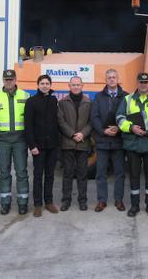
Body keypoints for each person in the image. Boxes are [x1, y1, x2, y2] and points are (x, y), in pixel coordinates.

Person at [116, 72, 148, 217]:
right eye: (141, 82)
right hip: (133, 145)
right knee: (134, 177)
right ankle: (134, 206)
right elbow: (119, 118)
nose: (143, 85)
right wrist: (131, 127)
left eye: (146, 82)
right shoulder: (127, 99)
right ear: (137, 83)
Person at [0, 69, 31, 215]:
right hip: (2, 140)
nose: (9, 81)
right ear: (3, 80)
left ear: (16, 80)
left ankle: (23, 202)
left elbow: (31, 119)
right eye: (6, 79)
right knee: (4, 172)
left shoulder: (25, 96)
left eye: (11, 79)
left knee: (22, 172)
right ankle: (5, 202)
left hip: (20, 140)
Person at [90, 69, 128, 212]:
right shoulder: (98, 97)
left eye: (114, 77)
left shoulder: (126, 97)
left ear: (118, 79)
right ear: (105, 80)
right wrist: (103, 130)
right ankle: (102, 201)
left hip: (119, 141)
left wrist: (119, 128)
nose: (112, 80)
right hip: (102, 140)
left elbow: (129, 116)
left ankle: (118, 200)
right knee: (101, 173)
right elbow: (94, 117)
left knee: (120, 172)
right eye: (109, 78)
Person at [25, 74, 61, 217]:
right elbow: (28, 126)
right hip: (38, 146)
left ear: (50, 85)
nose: (45, 85)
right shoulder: (31, 102)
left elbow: (57, 122)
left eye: (47, 83)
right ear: (38, 85)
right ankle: (38, 204)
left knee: (50, 175)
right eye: (42, 83)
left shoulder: (54, 101)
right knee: (38, 175)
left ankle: (49, 202)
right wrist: (32, 145)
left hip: (52, 145)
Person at [58, 76, 92, 211]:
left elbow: (91, 122)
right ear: (69, 86)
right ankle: (66, 201)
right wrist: (72, 134)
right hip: (68, 143)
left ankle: (82, 201)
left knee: (82, 174)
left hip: (83, 143)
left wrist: (82, 134)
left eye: (78, 84)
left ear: (82, 86)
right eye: (73, 85)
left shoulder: (88, 102)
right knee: (67, 174)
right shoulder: (62, 102)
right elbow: (60, 121)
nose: (76, 87)